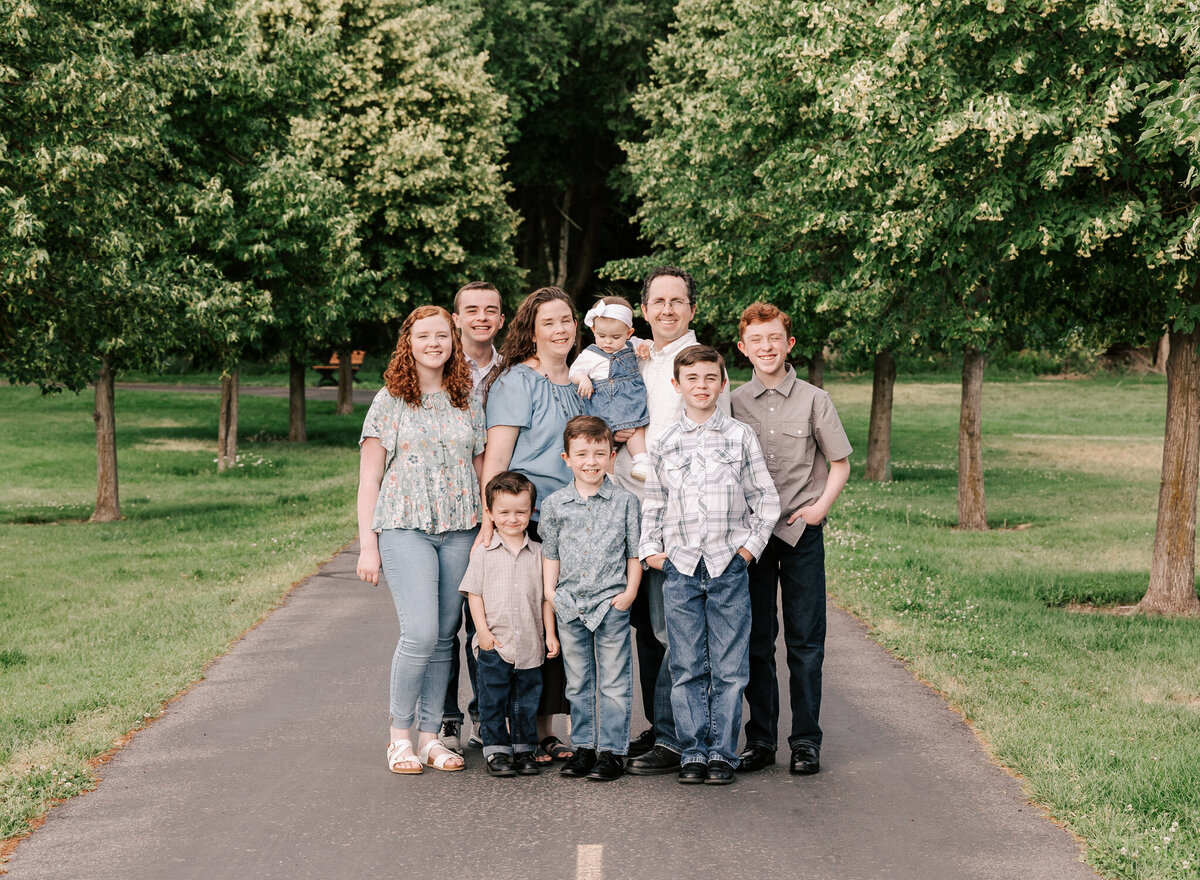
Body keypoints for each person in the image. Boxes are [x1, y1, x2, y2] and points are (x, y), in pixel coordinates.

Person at [639, 346, 780, 785]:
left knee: (729, 665)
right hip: (679, 567)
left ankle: (721, 751)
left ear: (722, 384)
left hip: (727, 566)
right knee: (686, 664)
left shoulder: (739, 437)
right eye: (692, 378)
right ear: (676, 385)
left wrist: (747, 550)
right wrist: (650, 551)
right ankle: (692, 750)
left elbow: (766, 500)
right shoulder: (663, 441)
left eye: (710, 378)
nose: (701, 386)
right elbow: (654, 504)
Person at [356, 304, 485, 775]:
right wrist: (368, 545)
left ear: (453, 343)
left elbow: (478, 467)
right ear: (408, 344)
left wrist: (485, 527)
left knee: (445, 637)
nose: (435, 344)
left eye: (442, 336)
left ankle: (432, 739)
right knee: (421, 633)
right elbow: (369, 479)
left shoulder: (467, 399)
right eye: (424, 336)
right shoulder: (389, 400)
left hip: (460, 527)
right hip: (404, 526)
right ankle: (399, 738)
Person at [617, 267, 731, 775]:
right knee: (641, 627)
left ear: (692, 310)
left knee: (671, 630)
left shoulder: (702, 366)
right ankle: (657, 723)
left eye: (676, 301)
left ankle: (673, 737)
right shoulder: (633, 357)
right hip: (621, 509)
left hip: (670, 518)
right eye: (657, 301)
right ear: (644, 310)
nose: (667, 309)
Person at [731, 303, 852, 776]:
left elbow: (839, 462)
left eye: (774, 338)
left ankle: (805, 741)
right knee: (757, 642)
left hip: (801, 532)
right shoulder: (733, 401)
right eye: (757, 340)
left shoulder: (815, 400)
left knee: (805, 641)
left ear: (789, 343)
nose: (766, 347)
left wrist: (821, 507)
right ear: (743, 349)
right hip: (753, 538)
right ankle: (760, 740)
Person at [480, 286, 583, 762]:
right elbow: (498, 459)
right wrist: (490, 525)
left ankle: (543, 729)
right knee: (518, 623)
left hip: (573, 520)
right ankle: (503, 728)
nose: (560, 329)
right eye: (549, 323)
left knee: (553, 624)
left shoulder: (583, 382)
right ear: (532, 330)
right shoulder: (517, 382)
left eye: (566, 320)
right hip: (527, 522)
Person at [539, 416, 642, 782]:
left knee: (613, 681)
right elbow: (550, 553)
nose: (591, 461)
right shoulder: (555, 505)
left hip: (610, 603)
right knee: (578, 681)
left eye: (600, 453)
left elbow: (634, 553)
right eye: (581, 454)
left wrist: (629, 593)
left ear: (612, 456)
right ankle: (584, 747)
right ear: (566, 458)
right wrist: (551, 593)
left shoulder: (626, 502)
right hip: (569, 604)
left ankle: (612, 752)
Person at [460, 471, 559, 777]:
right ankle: (496, 751)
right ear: (490, 513)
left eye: (521, 512)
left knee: (526, 700)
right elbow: (473, 594)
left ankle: (524, 748)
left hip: (530, 642)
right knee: (493, 700)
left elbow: (546, 598)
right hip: (495, 644)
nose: (513, 519)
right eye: (504, 512)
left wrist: (550, 634)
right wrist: (483, 634)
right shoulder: (484, 552)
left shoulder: (540, 553)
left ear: (532, 512)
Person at [442, 281, 505, 754]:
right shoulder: (438, 368)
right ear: (456, 318)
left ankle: (487, 716)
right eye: (472, 310)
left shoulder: (512, 372)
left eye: (491, 310)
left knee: (487, 618)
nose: (482, 317)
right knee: (446, 624)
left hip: (495, 512)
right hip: (446, 512)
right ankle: (445, 718)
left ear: (501, 319)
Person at [568, 296, 651, 481]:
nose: (608, 342)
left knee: (636, 429)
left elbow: (649, 345)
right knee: (604, 443)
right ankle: (608, 477)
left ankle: (641, 461)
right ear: (593, 330)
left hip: (630, 404)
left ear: (629, 333)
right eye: (602, 336)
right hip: (602, 409)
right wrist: (583, 379)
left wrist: (646, 348)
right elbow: (574, 371)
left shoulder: (633, 345)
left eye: (616, 337)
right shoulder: (590, 354)